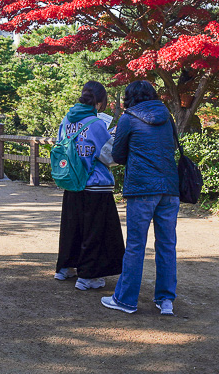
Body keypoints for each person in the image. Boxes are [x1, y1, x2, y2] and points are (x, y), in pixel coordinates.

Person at [100, 80, 179, 316]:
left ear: (129, 98)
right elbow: (172, 147)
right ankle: (165, 300)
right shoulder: (167, 117)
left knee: (136, 245)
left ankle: (125, 300)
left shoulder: (128, 118)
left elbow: (118, 155)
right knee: (167, 244)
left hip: (142, 189)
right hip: (170, 187)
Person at [54, 81, 125, 291]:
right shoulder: (96, 124)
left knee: (71, 228)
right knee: (95, 231)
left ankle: (65, 267)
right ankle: (88, 276)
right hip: (95, 184)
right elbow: (109, 156)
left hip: (72, 181)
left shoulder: (67, 119)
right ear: (100, 102)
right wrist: (113, 136)